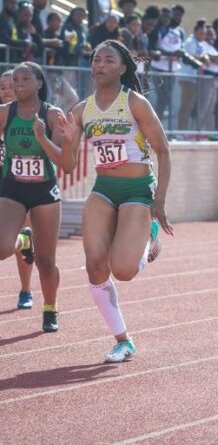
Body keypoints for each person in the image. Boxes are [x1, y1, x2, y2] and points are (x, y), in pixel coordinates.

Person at [58, 39, 173, 362]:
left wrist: (159, 200)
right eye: (96, 60)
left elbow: (163, 149)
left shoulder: (134, 102)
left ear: (123, 68)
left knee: (122, 270)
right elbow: (67, 166)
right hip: (104, 189)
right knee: (95, 264)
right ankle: (123, 339)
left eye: (108, 60)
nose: (100, 65)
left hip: (138, 190)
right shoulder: (82, 110)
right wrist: (66, 140)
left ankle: (150, 234)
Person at [0, 62, 65, 331]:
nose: (18, 84)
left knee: (46, 261)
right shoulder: (5, 112)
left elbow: (62, 159)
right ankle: (22, 239)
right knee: (2, 248)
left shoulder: (52, 114)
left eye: (25, 78)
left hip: (44, 191)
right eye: (15, 79)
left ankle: (50, 308)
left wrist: (42, 137)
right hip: (12, 187)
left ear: (39, 83)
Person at [0, 70, 35, 309]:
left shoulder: (31, 115)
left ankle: (25, 290)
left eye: (9, 86)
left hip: (20, 186)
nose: (5, 91)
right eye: (1, 88)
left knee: (19, 236)